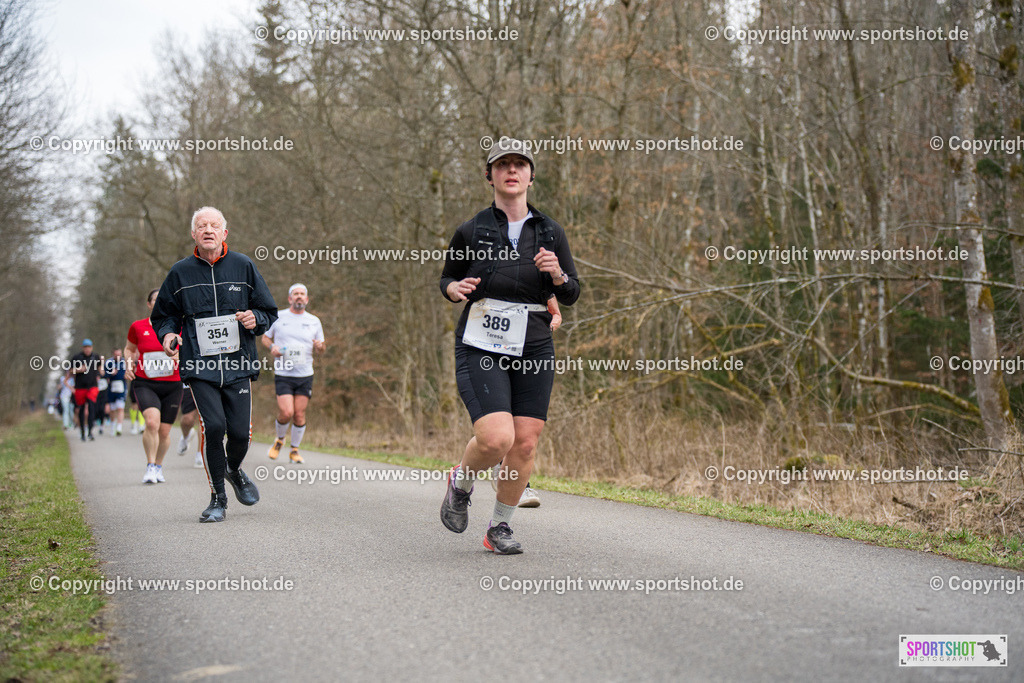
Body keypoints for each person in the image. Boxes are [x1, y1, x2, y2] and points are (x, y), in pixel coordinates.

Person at [438, 138, 579, 554]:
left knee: (525, 442)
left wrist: (556, 275)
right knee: (497, 438)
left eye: (520, 165)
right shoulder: (472, 228)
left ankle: (499, 527)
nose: (511, 171)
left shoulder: (550, 231)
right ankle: (461, 481)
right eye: (503, 165)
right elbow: (447, 278)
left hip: (533, 343)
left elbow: (571, 293)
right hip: (482, 341)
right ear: (491, 176)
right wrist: (453, 290)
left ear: (531, 176)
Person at [151, 206, 277, 523]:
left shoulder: (243, 266)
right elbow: (164, 315)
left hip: (238, 363)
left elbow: (268, 311)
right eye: (202, 225)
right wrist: (167, 337)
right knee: (214, 427)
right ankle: (217, 498)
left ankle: (233, 469)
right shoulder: (180, 273)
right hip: (199, 365)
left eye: (214, 225)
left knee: (239, 435)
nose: (208, 229)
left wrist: (255, 318)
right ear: (194, 234)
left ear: (225, 233)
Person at [262, 283, 325, 464]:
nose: (299, 297)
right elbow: (265, 338)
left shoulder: (314, 320)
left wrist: (320, 347)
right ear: (290, 298)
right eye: (295, 294)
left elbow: (322, 346)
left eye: (302, 294)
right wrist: (272, 347)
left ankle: (294, 450)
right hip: (284, 372)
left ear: (307, 299)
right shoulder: (279, 317)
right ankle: (279, 440)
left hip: (305, 373)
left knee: (299, 414)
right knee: (286, 412)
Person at [125, 289, 183, 483]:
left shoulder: (179, 327)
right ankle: (150, 467)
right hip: (145, 383)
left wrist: (180, 357)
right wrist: (128, 365)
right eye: (155, 300)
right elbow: (129, 348)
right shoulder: (138, 326)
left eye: (163, 300)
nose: (159, 303)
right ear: (149, 304)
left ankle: (158, 466)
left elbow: (191, 350)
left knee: (165, 431)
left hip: (173, 384)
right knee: (151, 422)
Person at [66, 339, 105, 441]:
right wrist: (79, 370)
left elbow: (101, 369)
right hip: (80, 387)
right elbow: (70, 371)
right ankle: (83, 432)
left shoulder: (96, 357)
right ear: (83, 348)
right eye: (85, 347)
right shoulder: (77, 358)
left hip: (92, 387)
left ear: (91, 347)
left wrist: (102, 372)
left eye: (89, 347)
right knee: (82, 410)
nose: (87, 349)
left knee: (92, 408)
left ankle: (90, 432)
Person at [104, 348, 128, 436]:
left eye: (119, 355)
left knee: (120, 408)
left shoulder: (125, 362)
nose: (118, 356)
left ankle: (119, 427)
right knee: (113, 409)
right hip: (112, 388)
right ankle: (113, 426)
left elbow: (127, 373)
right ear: (113, 355)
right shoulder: (109, 362)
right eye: (116, 355)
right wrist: (111, 373)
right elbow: (104, 374)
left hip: (121, 387)